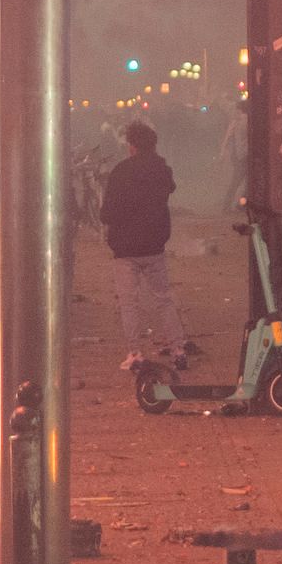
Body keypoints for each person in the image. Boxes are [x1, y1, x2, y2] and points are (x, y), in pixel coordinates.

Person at [98, 118, 181, 373]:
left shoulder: (121, 171)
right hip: (154, 244)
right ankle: (178, 349)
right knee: (163, 298)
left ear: (132, 145)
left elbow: (107, 213)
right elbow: (169, 189)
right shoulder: (162, 169)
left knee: (129, 302)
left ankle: (135, 353)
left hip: (125, 248)